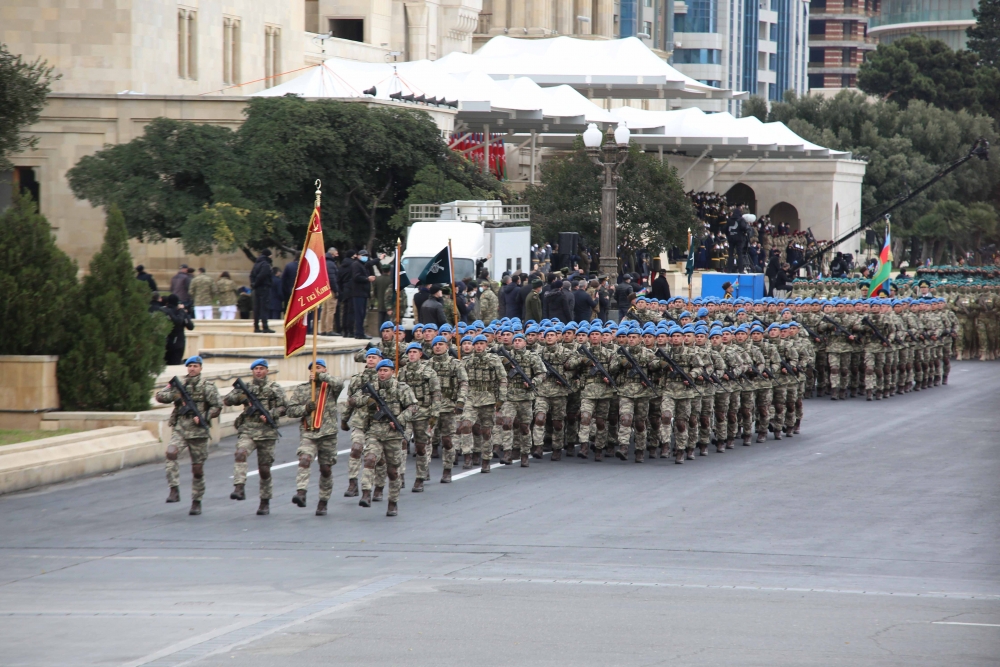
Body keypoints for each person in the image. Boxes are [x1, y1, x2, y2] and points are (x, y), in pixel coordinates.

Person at [154, 355, 221, 515]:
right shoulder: (179, 385)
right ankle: (174, 489)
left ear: (201, 368)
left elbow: (217, 406)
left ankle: (196, 501)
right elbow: (160, 397)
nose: (192, 368)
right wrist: (173, 392)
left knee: (197, 469)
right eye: (190, 366)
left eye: (195, 366)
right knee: (171, 453)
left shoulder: (208, 387)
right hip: (181, 429)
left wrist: (204, 416)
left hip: (198, 432)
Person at [224, 359, 287, 516]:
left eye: (261, 368)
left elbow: (285, 407)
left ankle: (265, 501)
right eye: (255, 369)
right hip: (248, 430)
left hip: (267, 433)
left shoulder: (274, 388)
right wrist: (242, 397)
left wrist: (271, 414)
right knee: (240, 453)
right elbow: (227, 400)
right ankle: (239, 487)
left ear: (266, 371)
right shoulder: (246, 388)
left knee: (264, 470)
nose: (258, 371)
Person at [355, 359, 417, 516]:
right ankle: (366, 492)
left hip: (394, 435)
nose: (382, 373)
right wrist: (367, 400)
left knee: (393, 471)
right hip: (374, 432)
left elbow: (413, 406)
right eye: (380, 370)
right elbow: (353, 399)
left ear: (392, 372)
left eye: (386, 370)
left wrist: (400, 420)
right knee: (369, 459)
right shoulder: (371, 387)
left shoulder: (402, 388)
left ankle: (393, 502)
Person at [285, 359, 345, 516]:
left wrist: (322, 377)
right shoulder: (303, 389)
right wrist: (304, 408)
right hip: (309, 432)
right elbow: (290, 411)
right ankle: (301, 492)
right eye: (313, 369)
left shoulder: (331, 387)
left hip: (328, 434)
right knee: (304, 459)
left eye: (319, 368)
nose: (316, 371)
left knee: (326, 469)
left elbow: (340, 383)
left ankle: (323, 500)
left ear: (325, 369)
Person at [397, 342, 442, 492]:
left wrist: (434, 414)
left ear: (420, 354)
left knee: (421, 447)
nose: (411, 355)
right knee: (402, 443)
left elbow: (436, 394)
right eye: (409, 352)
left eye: (415, 352)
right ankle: (400, 475)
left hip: (423, 412)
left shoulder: (429, 372)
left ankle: (420, 477)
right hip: (407, 413)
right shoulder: (402, 372)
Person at [161, 294, 193, 365]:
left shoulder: (163, 310)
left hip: (164, 342)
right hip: (178, 343)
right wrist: (183, 312)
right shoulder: (180, 312)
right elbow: (190, 326)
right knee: (175, 364)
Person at [351, 249, 375, 339]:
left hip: (363, 293)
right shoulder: (356, 265)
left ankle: (361, 332)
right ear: (358, 256)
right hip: (358, 293)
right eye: (363, 255)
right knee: (359, 314)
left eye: (366, 255)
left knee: (362, 314)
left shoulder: (363, 265)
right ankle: (359, 333)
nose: (365, 257)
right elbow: (356, 277)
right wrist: (367, 278)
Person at [249, 250, 274, 333]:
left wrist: (253, 284)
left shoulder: (256, 264)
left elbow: (251, 275)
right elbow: (262, 275)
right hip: (264, 288)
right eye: (270, 255)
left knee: (257, 308)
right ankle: (265, 327)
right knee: (264, 307)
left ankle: (256, 327)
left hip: (257, 289)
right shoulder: (266, 265)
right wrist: (256, 283)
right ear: (268, 255)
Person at [320, 247, 339, 335]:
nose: (337, 254)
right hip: (330, 290)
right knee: (331, 310)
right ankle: (329, 330)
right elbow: (332, 279)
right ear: (332, 253)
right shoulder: (331, 264)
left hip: (324, 289)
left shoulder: (323, 262)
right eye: (336, 253)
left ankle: (323, 329)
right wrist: (336, 290)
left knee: (324, 309)